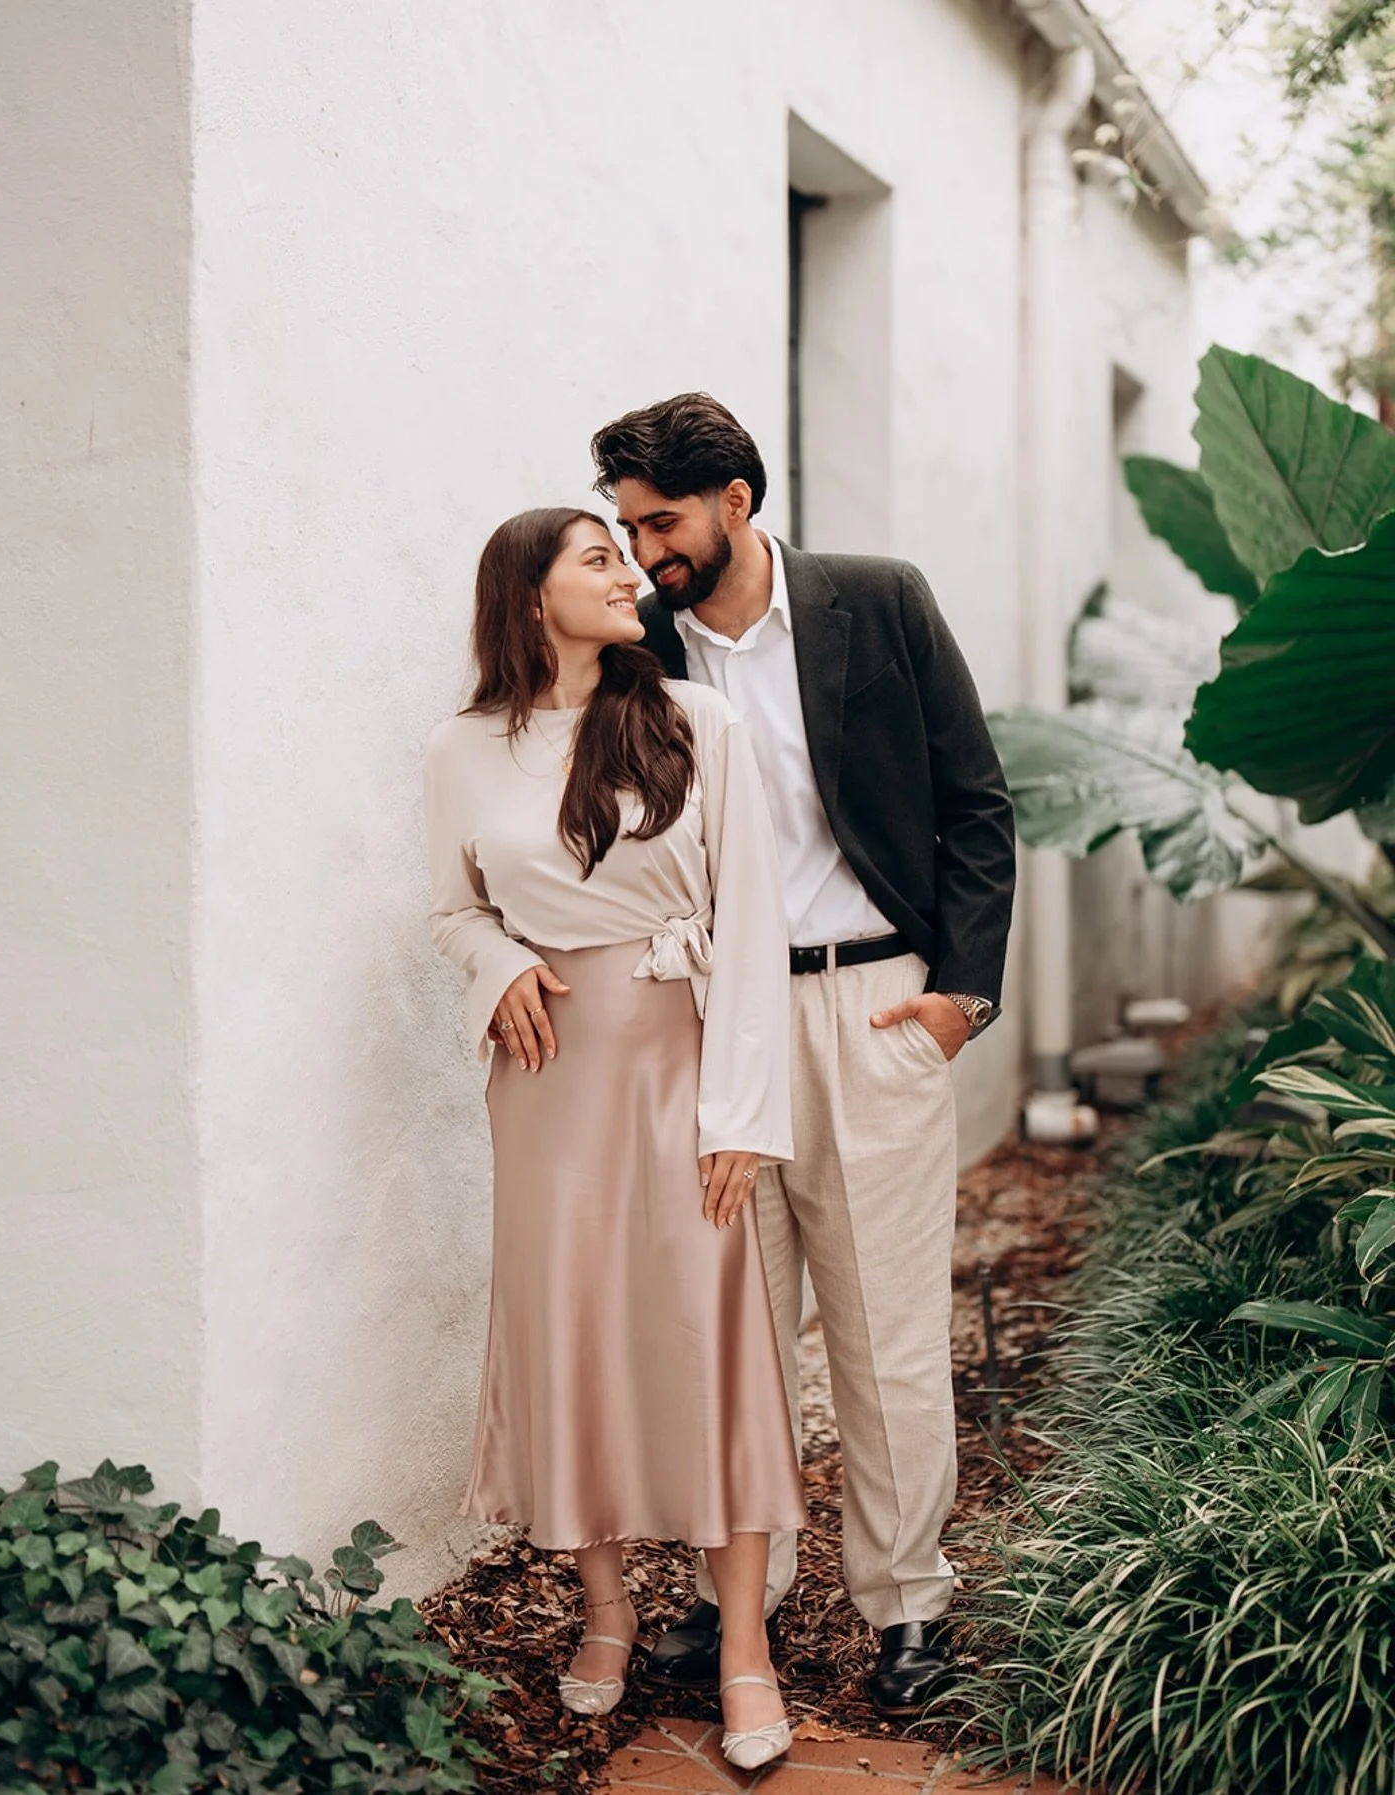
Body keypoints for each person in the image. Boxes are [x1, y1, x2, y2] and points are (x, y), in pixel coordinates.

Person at [589, 396, 1017, 1715]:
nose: (641, 547)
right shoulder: (638, 649)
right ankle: (740, 1601)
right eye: (623, 524)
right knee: (733, 1323)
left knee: (888, 1328)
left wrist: (961, 995)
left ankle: (908, 1612)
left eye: (660, 520)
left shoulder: (878, 602)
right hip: (711, 1021)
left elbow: (977, 804)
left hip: (872, 1001)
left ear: (735, 499)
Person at [422, 507, 806, 1770]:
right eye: (597, 556)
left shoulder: (696, 723)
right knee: (572, 1328)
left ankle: (744, 1647)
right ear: (529, 597)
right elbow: (450, 906)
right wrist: (496, 964)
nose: (628, 572)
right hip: (548, 1079)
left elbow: (751, 918)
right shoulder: (465, 748)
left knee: (712, 1342)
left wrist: (743, 1110)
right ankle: (605, 1612)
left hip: (682, 1060)